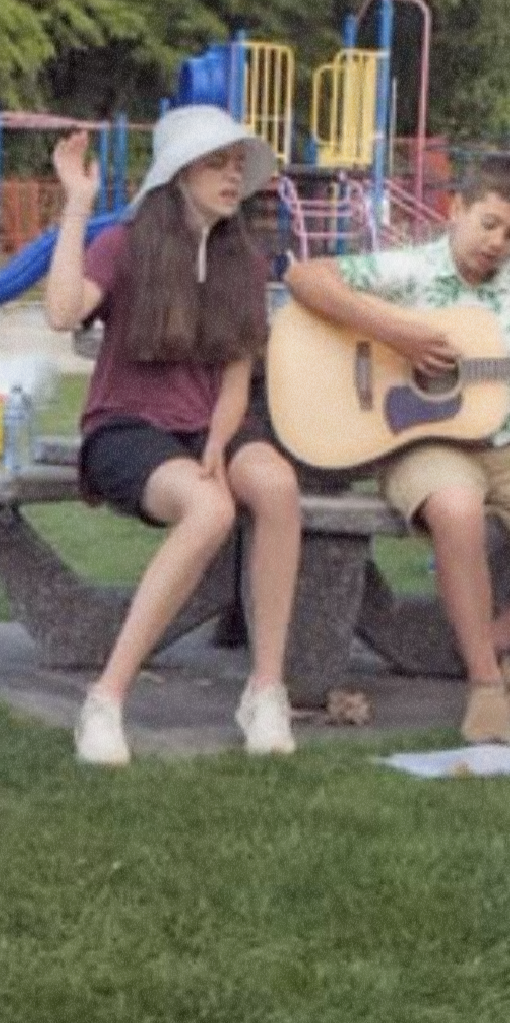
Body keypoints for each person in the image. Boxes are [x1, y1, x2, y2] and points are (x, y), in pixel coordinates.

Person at [284, 155, 510, 746]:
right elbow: (304, 279)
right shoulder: (411, 268)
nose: (498, 243)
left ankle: (493, 644)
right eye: (488, 224)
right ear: (456, 211)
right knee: (457, 507)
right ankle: (486, 686)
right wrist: (399, 333)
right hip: (422, 442)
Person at [45, 105, 302, 766]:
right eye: (216, 162)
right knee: (211, 507)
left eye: (236, 164)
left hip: (208, 426)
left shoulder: (243, 260)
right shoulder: (123, 243)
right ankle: (106, 697)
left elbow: (238, 377)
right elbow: (59, 312)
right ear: (178, 172)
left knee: (275, 484)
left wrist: (220, 440)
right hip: (126, 427)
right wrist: (77, 204)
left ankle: (265, 688)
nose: (231, 175)